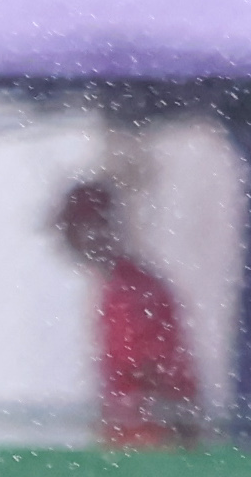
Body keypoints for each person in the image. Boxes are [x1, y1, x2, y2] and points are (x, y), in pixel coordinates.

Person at [52, 177, 203, 448]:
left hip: (149, 446)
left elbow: (157, 377)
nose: (68, 241)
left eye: (73, 228)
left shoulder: (132, 291)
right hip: (131, 443)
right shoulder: (115, 287)